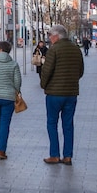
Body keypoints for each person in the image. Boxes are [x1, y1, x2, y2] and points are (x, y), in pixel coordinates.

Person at [40, 24, 84, 165]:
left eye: (50, 36)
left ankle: (54, 155)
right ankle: (68, 156)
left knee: (52, 123)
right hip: (71, 94)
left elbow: (46, 71)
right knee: (68, 124)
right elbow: (81, 71)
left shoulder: (54, 50)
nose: (49, 39)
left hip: (54, 93)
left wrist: (43, 85)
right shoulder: (76, 49)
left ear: (56, 36)